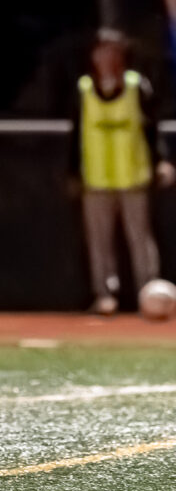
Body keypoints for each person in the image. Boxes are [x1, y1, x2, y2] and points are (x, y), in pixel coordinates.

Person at [72, 29, 175, 315]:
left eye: (113, 50)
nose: (107, 56)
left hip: (133, 176)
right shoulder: (83, 89)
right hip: (96, 178)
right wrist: (73, 173)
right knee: (99, 242)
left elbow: (153, 129)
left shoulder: (136, 86)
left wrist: (162, 161)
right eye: (102, 50)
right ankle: (104, 294)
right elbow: (75, 134)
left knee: (140, 239)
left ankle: (149, 292)